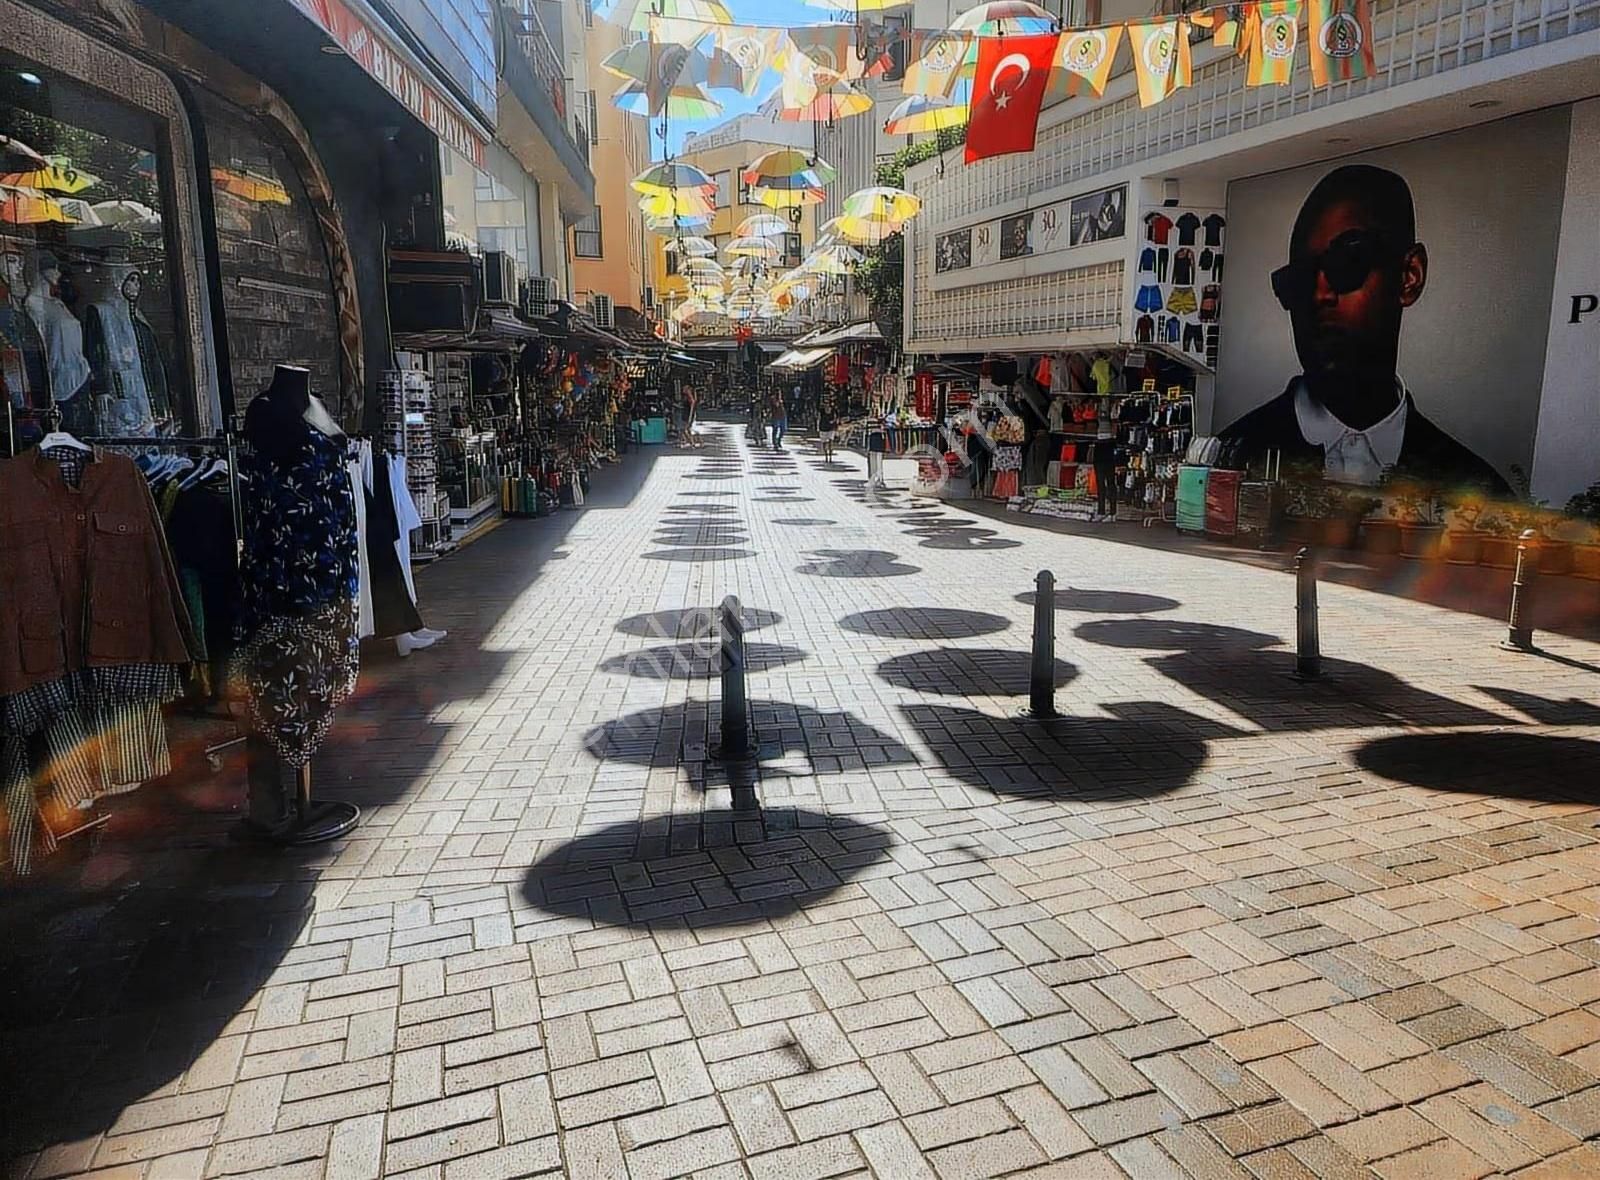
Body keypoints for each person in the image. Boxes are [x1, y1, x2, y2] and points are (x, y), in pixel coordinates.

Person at [1219, 164, 1509, 494]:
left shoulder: (1477, 489)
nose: (1319, 295)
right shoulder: (1226, 460)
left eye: (1348, 262)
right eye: (1298, 280)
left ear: (1409, 276)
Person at [817, 384, 838, 461]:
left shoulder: (833, 410)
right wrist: (818, 427)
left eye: (827, 403)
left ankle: (830, 456)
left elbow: (835, 418)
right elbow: (819, 418)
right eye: (825, 404)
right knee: (824, 443)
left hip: (831, 428)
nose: (826, 405)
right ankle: (826, 455)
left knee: (830, 442)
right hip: (823, 427)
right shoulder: (821, 411)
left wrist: (833, 422)